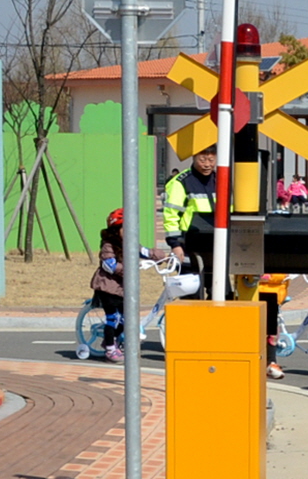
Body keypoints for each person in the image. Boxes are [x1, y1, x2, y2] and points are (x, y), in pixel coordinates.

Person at [89, 208, 169, 364]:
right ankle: (110, 349)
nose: (130, 231)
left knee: (127, 319)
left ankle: (110, 340)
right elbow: (109, 265)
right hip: (108, 288)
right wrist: (130, 269)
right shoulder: (108, 245)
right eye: (125, 228)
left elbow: (145, 252)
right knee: (114, 318)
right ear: (115, 229)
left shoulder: (130, 243)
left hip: (122, 289)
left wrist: (163, 256)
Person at [161, 148, 221, 294]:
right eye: (202, 160)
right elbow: (171, 216)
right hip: (189, 245)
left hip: (217, 244)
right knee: (191, 294)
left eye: (211, 160)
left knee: (221, 293)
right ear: (194, 157)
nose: (207, 164)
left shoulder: (221, 179)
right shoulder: (180, 182)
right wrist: (175, 244)